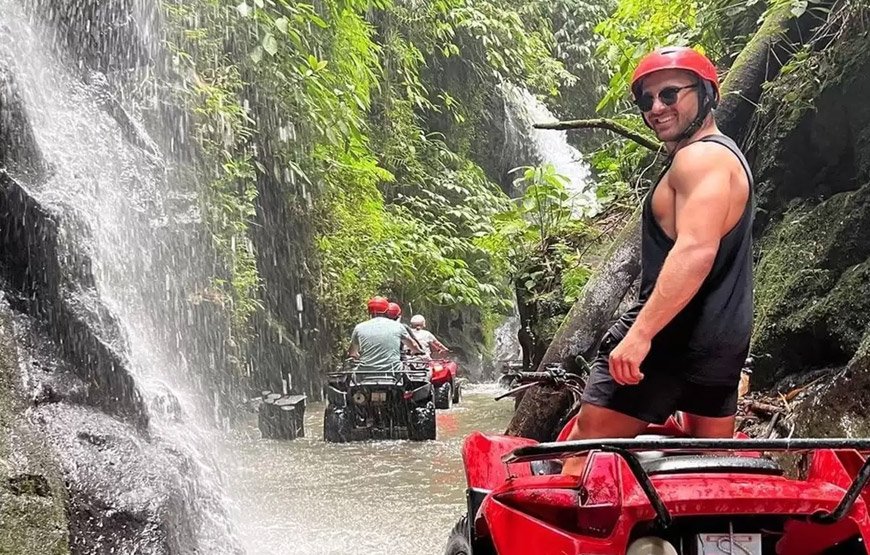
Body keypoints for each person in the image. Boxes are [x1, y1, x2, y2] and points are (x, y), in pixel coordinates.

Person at [560, 47, 755, 476]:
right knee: (710, 475)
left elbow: (696, 250)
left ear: (706, 93)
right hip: (721, 343)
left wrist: (640, 335)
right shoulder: (727, 158)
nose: (656, 108)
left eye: (669, 94)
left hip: (669, 338)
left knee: (582, 456)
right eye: (646, 100)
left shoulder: (698, 158)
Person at [348, 296, 422, 371]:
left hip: (365, 372)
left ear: (369, 312)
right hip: (394, 371)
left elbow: (352, 353)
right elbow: (413, 345)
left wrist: (359, 357)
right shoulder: (398, 326)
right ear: (387, 311)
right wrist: (418, 351)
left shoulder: (359, 327)